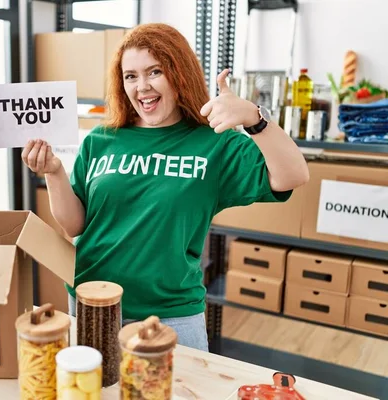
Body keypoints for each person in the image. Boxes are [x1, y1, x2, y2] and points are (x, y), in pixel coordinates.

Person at [21, 23, 309, 351]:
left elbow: (293, 175)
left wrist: (254, 118)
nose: (142, 87)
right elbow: (75, 224)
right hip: (94, 302)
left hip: (171, 316)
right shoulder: (102, 140)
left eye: (154, 71)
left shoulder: (214, 143)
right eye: (130, 76)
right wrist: (54, 172)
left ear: (179, 73)